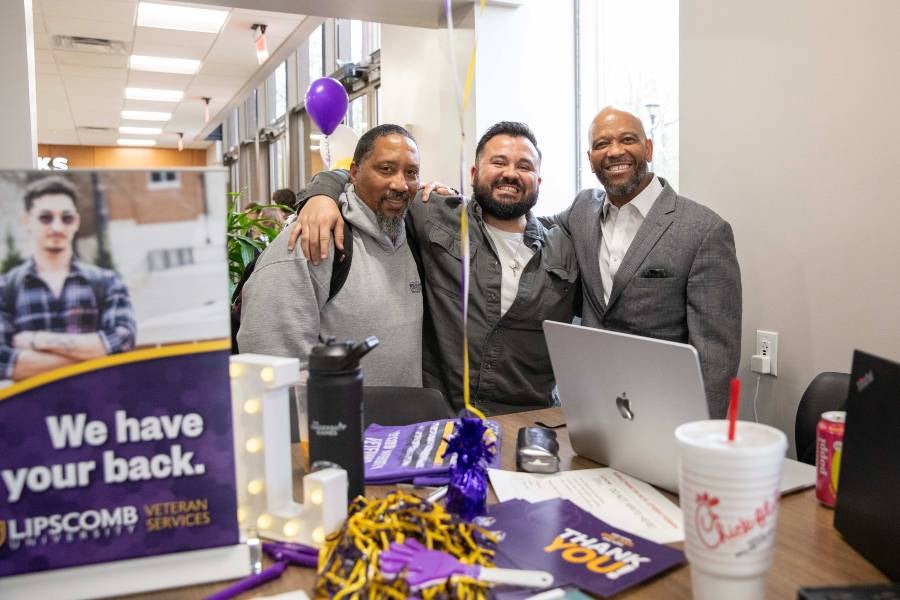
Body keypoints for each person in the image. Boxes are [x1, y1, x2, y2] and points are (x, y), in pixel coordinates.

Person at [291, 122, 580, 414]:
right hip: (442, 419)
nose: (510, 173)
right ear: (474, 174)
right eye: (499, 162)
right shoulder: (435, 212)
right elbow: (370, 175)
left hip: (532, 421)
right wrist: (321, 196)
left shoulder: (565, 246)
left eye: (524, 166)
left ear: (538, 180)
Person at [546, 107, 741, 418]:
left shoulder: (704, 230)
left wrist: (701, 438)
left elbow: (715, 359)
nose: (614, 152)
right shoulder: (581, 210)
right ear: (590, 158)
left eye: (627, 139)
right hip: (592, 406)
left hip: (665, 413)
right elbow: (529, 225)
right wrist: (457, 203)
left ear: (647, 148)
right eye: (601, 145)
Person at [236, 124, 424, 386]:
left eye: (411, 172)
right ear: (355, 173)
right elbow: (269, 363)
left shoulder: (414, 236)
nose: (401, 184)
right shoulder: (311, 240)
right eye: (386, 169)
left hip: (406, 424)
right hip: (336, 424)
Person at [0, 176, 136, 381]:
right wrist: (94, 354)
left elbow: (123, 341)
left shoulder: (107, 282)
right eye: (45, 218)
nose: (57, 227)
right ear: (26, 221)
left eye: (67, 218)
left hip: (97, 409)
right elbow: (2, 363)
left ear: (77, 222)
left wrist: (38, 340)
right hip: (31, 410)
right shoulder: (6, 288)